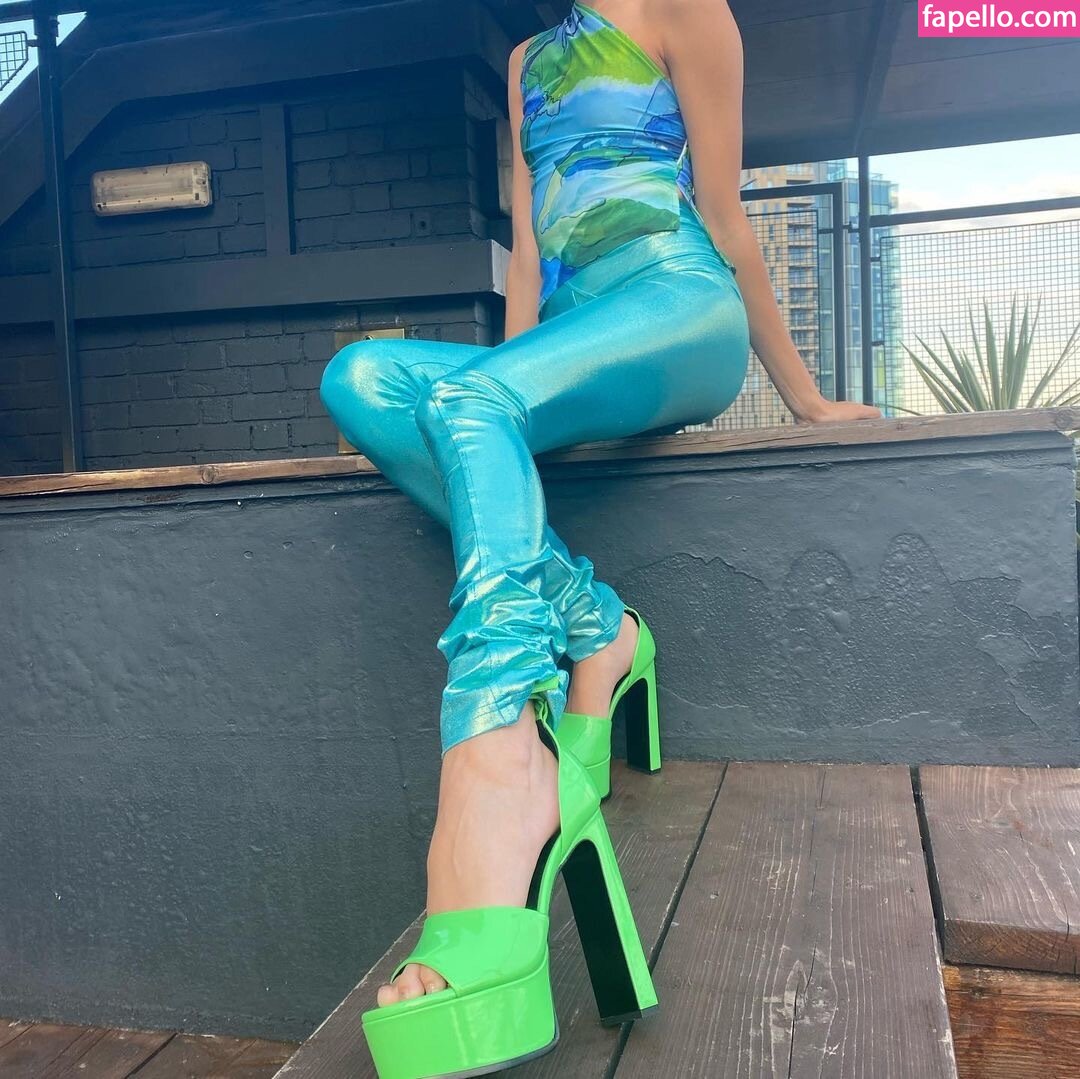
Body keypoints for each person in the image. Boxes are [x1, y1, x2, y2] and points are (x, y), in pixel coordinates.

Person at [320, 1, 882, 1074]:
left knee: (468, 402)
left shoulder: (685, 8)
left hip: (681, 305)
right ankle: (598, 625)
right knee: (364, 379)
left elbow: (726, 215)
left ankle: (496, 752)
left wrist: (804, 396)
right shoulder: (527, 59)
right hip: (576, 333)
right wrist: (510, 398)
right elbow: (529, 258)